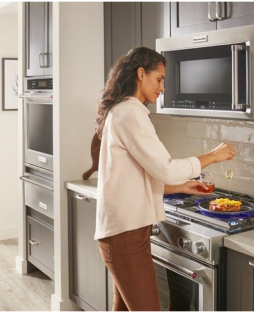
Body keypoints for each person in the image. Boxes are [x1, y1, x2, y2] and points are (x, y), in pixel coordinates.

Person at [94, 46, 236, 311]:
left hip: (122, 232)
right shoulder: (130, 113)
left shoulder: (124, 111)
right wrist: (212, 156)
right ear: (140, 74)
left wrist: (180, 187)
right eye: (159, 79)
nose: (162, 88)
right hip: (125, 234)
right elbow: (166, 168)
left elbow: (138, 176)